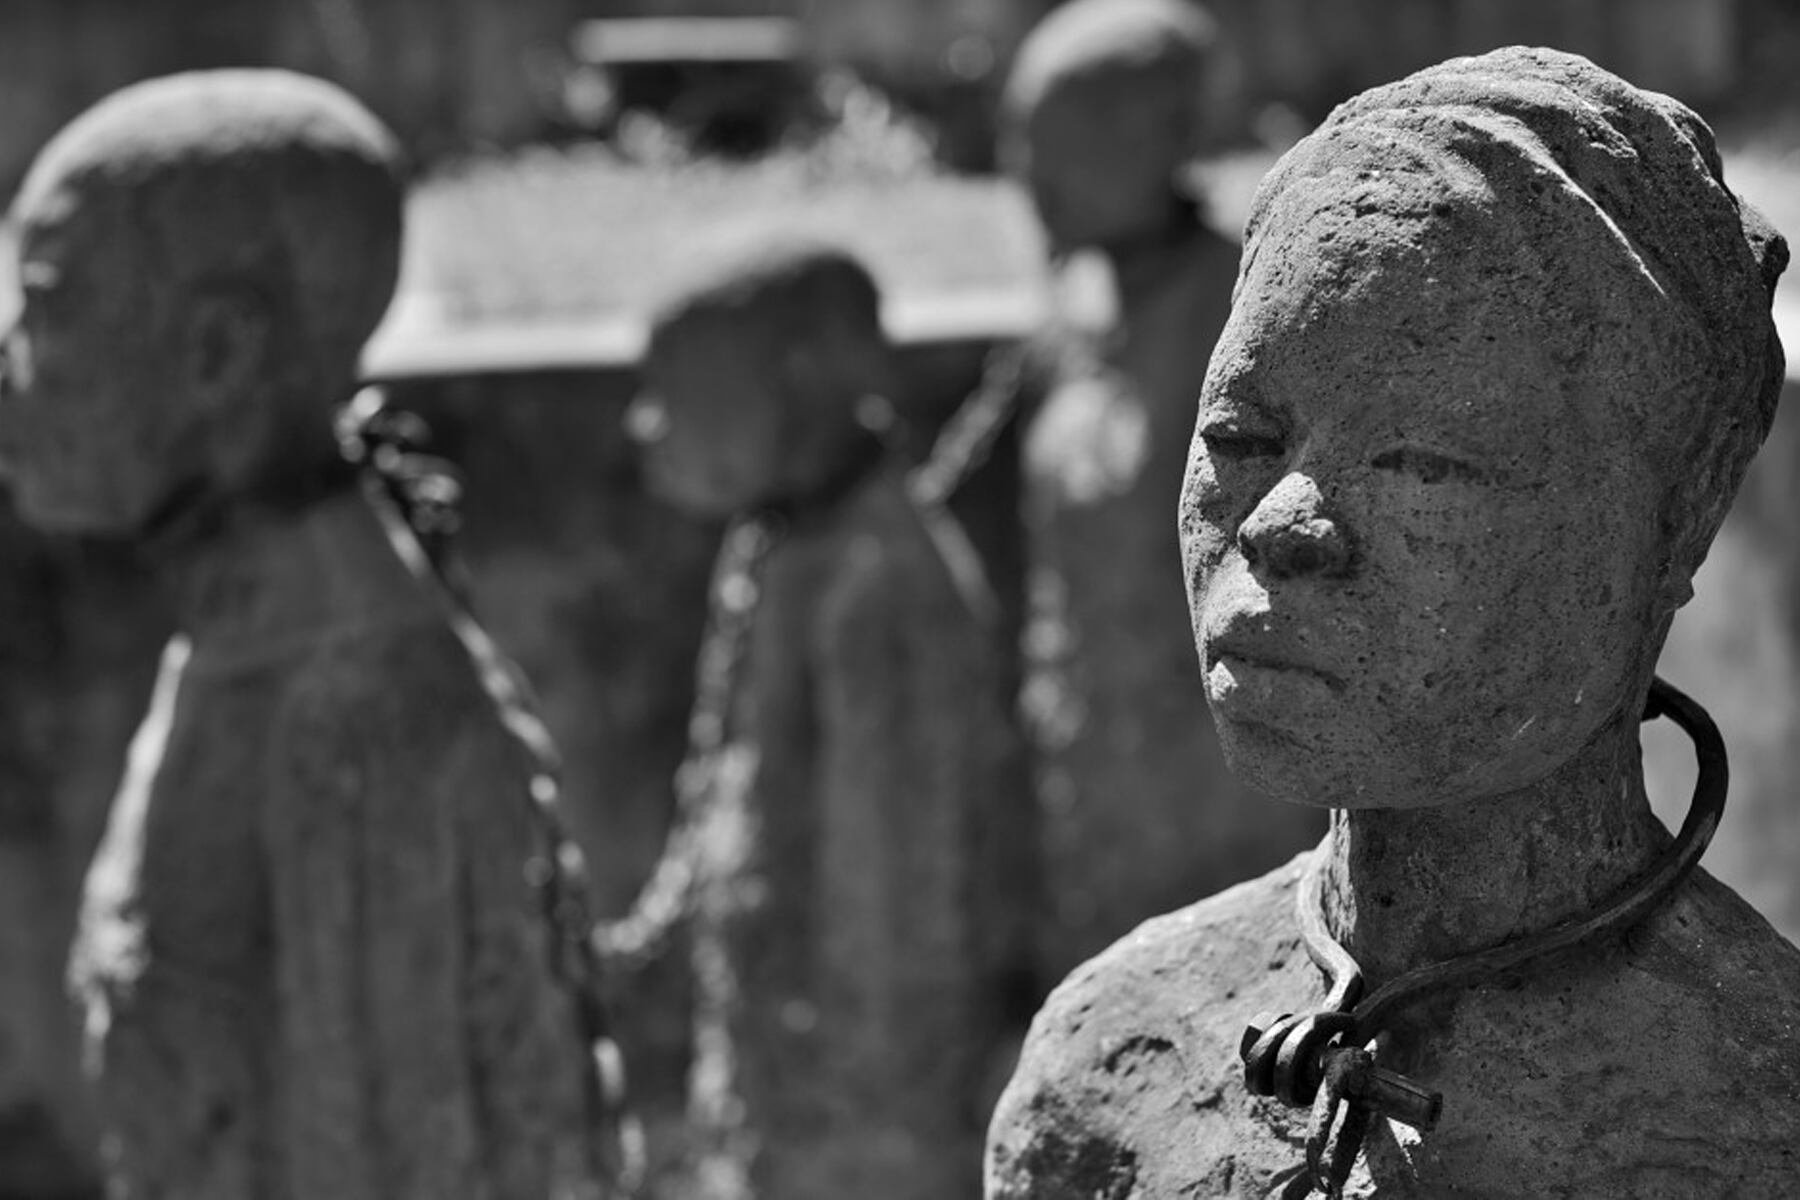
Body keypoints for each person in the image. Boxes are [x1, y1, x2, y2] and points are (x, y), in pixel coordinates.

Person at [987, 47, 1800, 1197]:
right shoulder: (1104, 1067)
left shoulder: (1764, 1121)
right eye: (1242, 439)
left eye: (1424, 463)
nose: (1280, 526)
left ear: (1681, 517)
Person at [0, 70, 618, 1199]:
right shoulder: (247, 644)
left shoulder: (361, 729)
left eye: (44, 306)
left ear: (219, 353)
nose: (10, 362)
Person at [625, 240, 1020, 1200]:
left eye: (678, 389)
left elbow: (896, 899)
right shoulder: (777, 539)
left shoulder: (875, 585)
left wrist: (866, 1110)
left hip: (858, 1117)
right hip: (782, 1078)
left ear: (794, 380)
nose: (646, 425)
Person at [997, 0, 1321, 977]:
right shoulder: (1071, 322)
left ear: (1160, 140)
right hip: (1093, 772)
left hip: (1220, 787)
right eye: (1021, 143)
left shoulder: (1246, 320)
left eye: (1064, 141)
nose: (1031, 176)